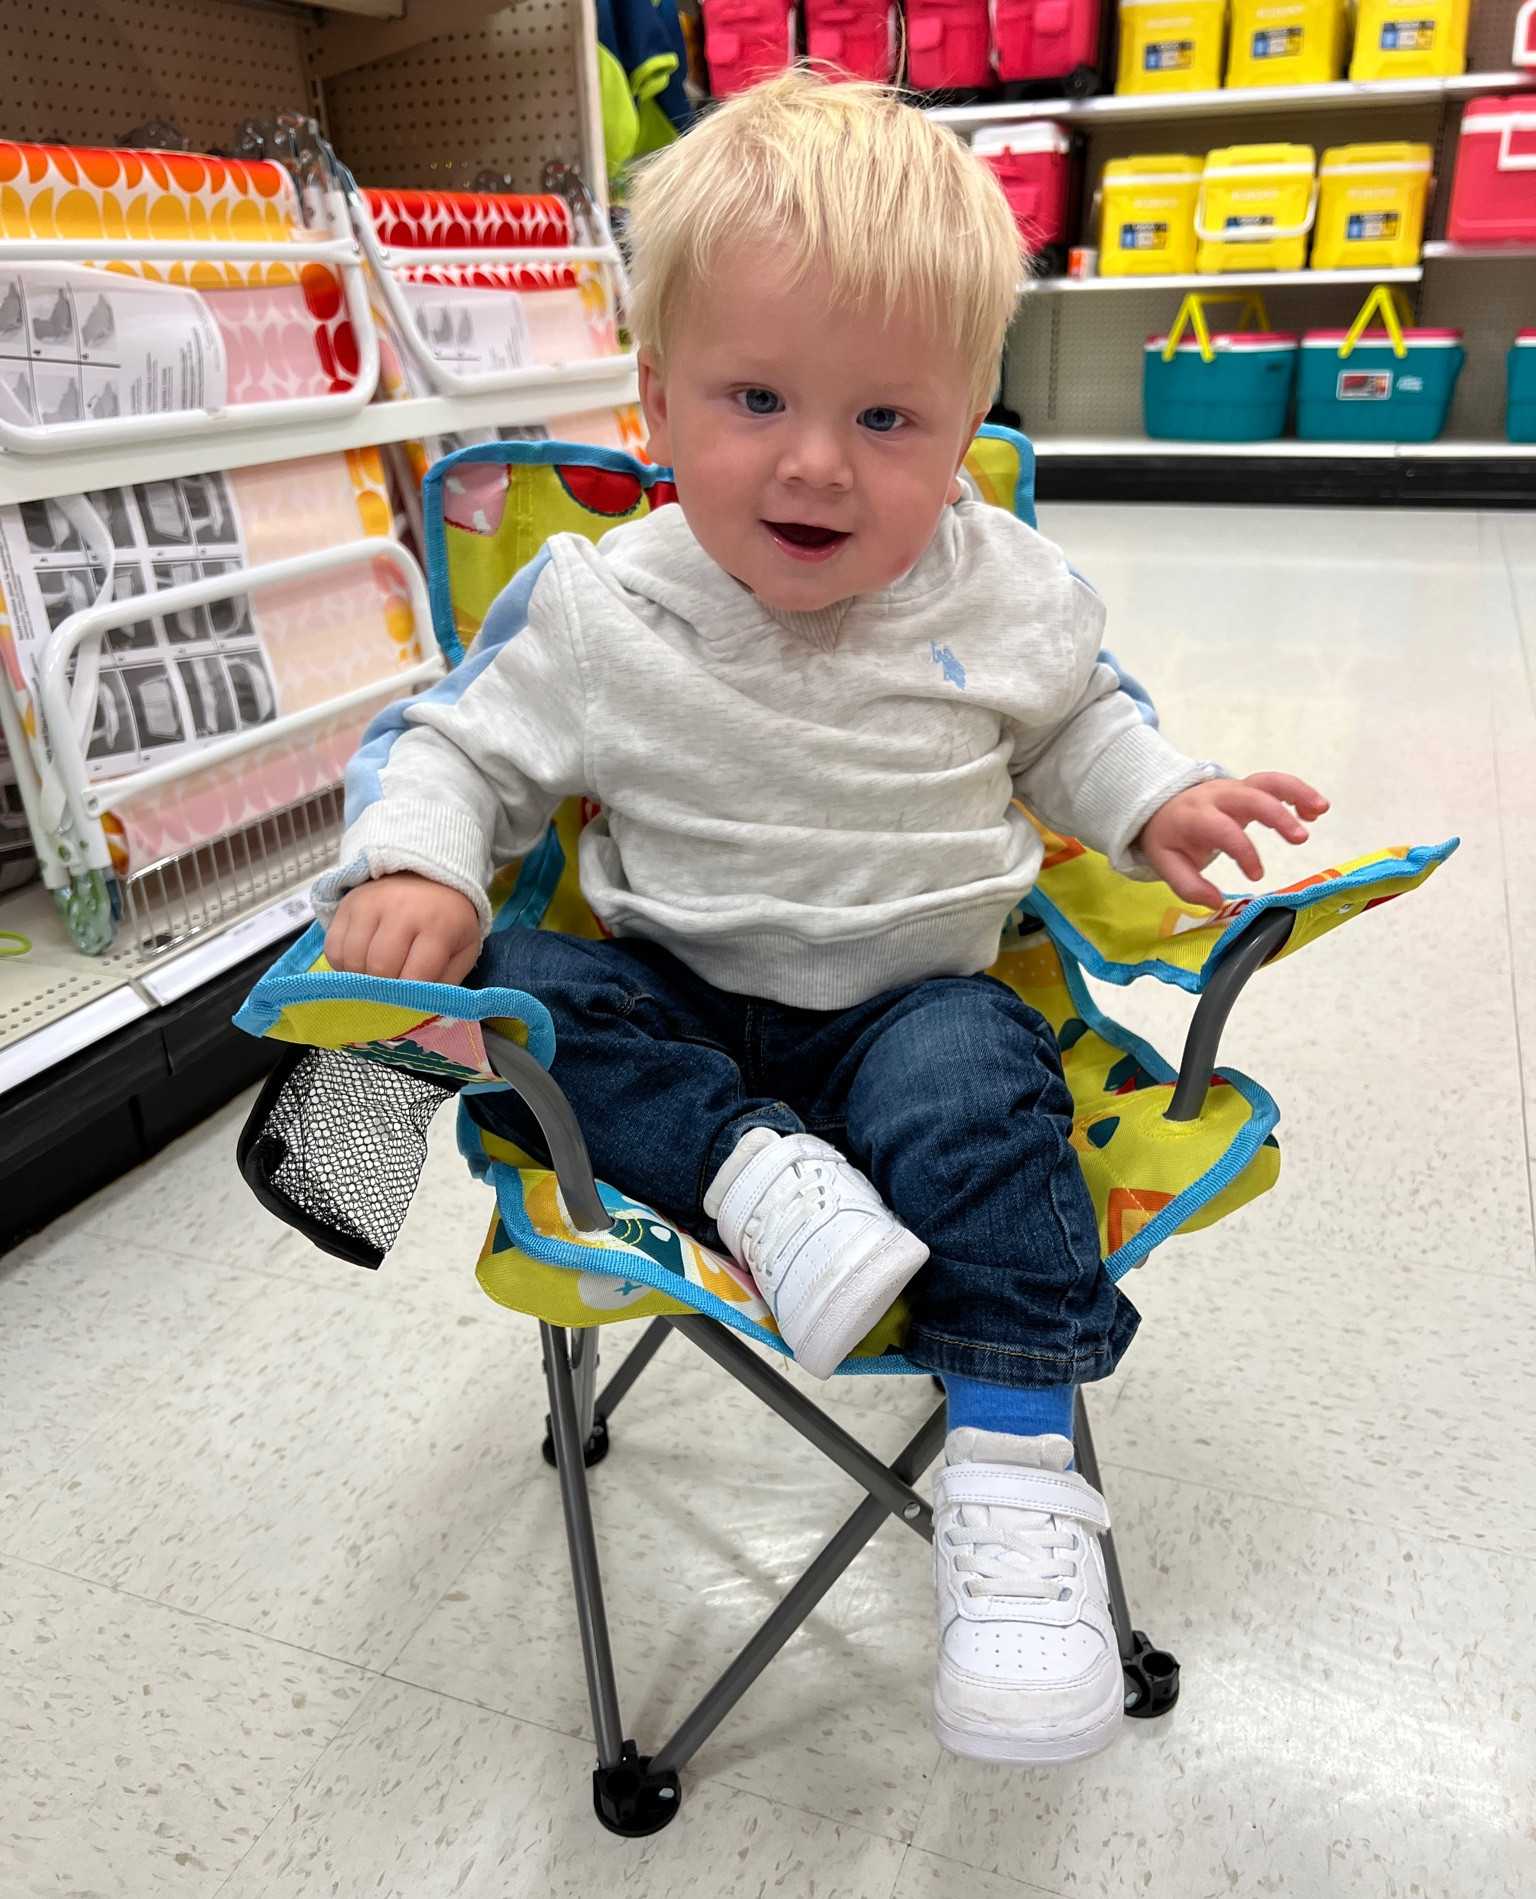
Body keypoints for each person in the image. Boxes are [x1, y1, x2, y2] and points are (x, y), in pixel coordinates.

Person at [316, 70, 1327, 1766]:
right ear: (652, 398)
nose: (815, 464)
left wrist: (1155, 798)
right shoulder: (596, 607)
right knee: (518, 988)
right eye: (756, 396)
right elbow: (451, 747)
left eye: (887, 422)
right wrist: (417, 865)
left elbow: (1075, 718)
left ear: (969, 425)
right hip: (675, 1001)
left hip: (910, 1000)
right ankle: (751, 1171)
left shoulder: (1006, 589)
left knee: (978, 1091)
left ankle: (1013, 1501)